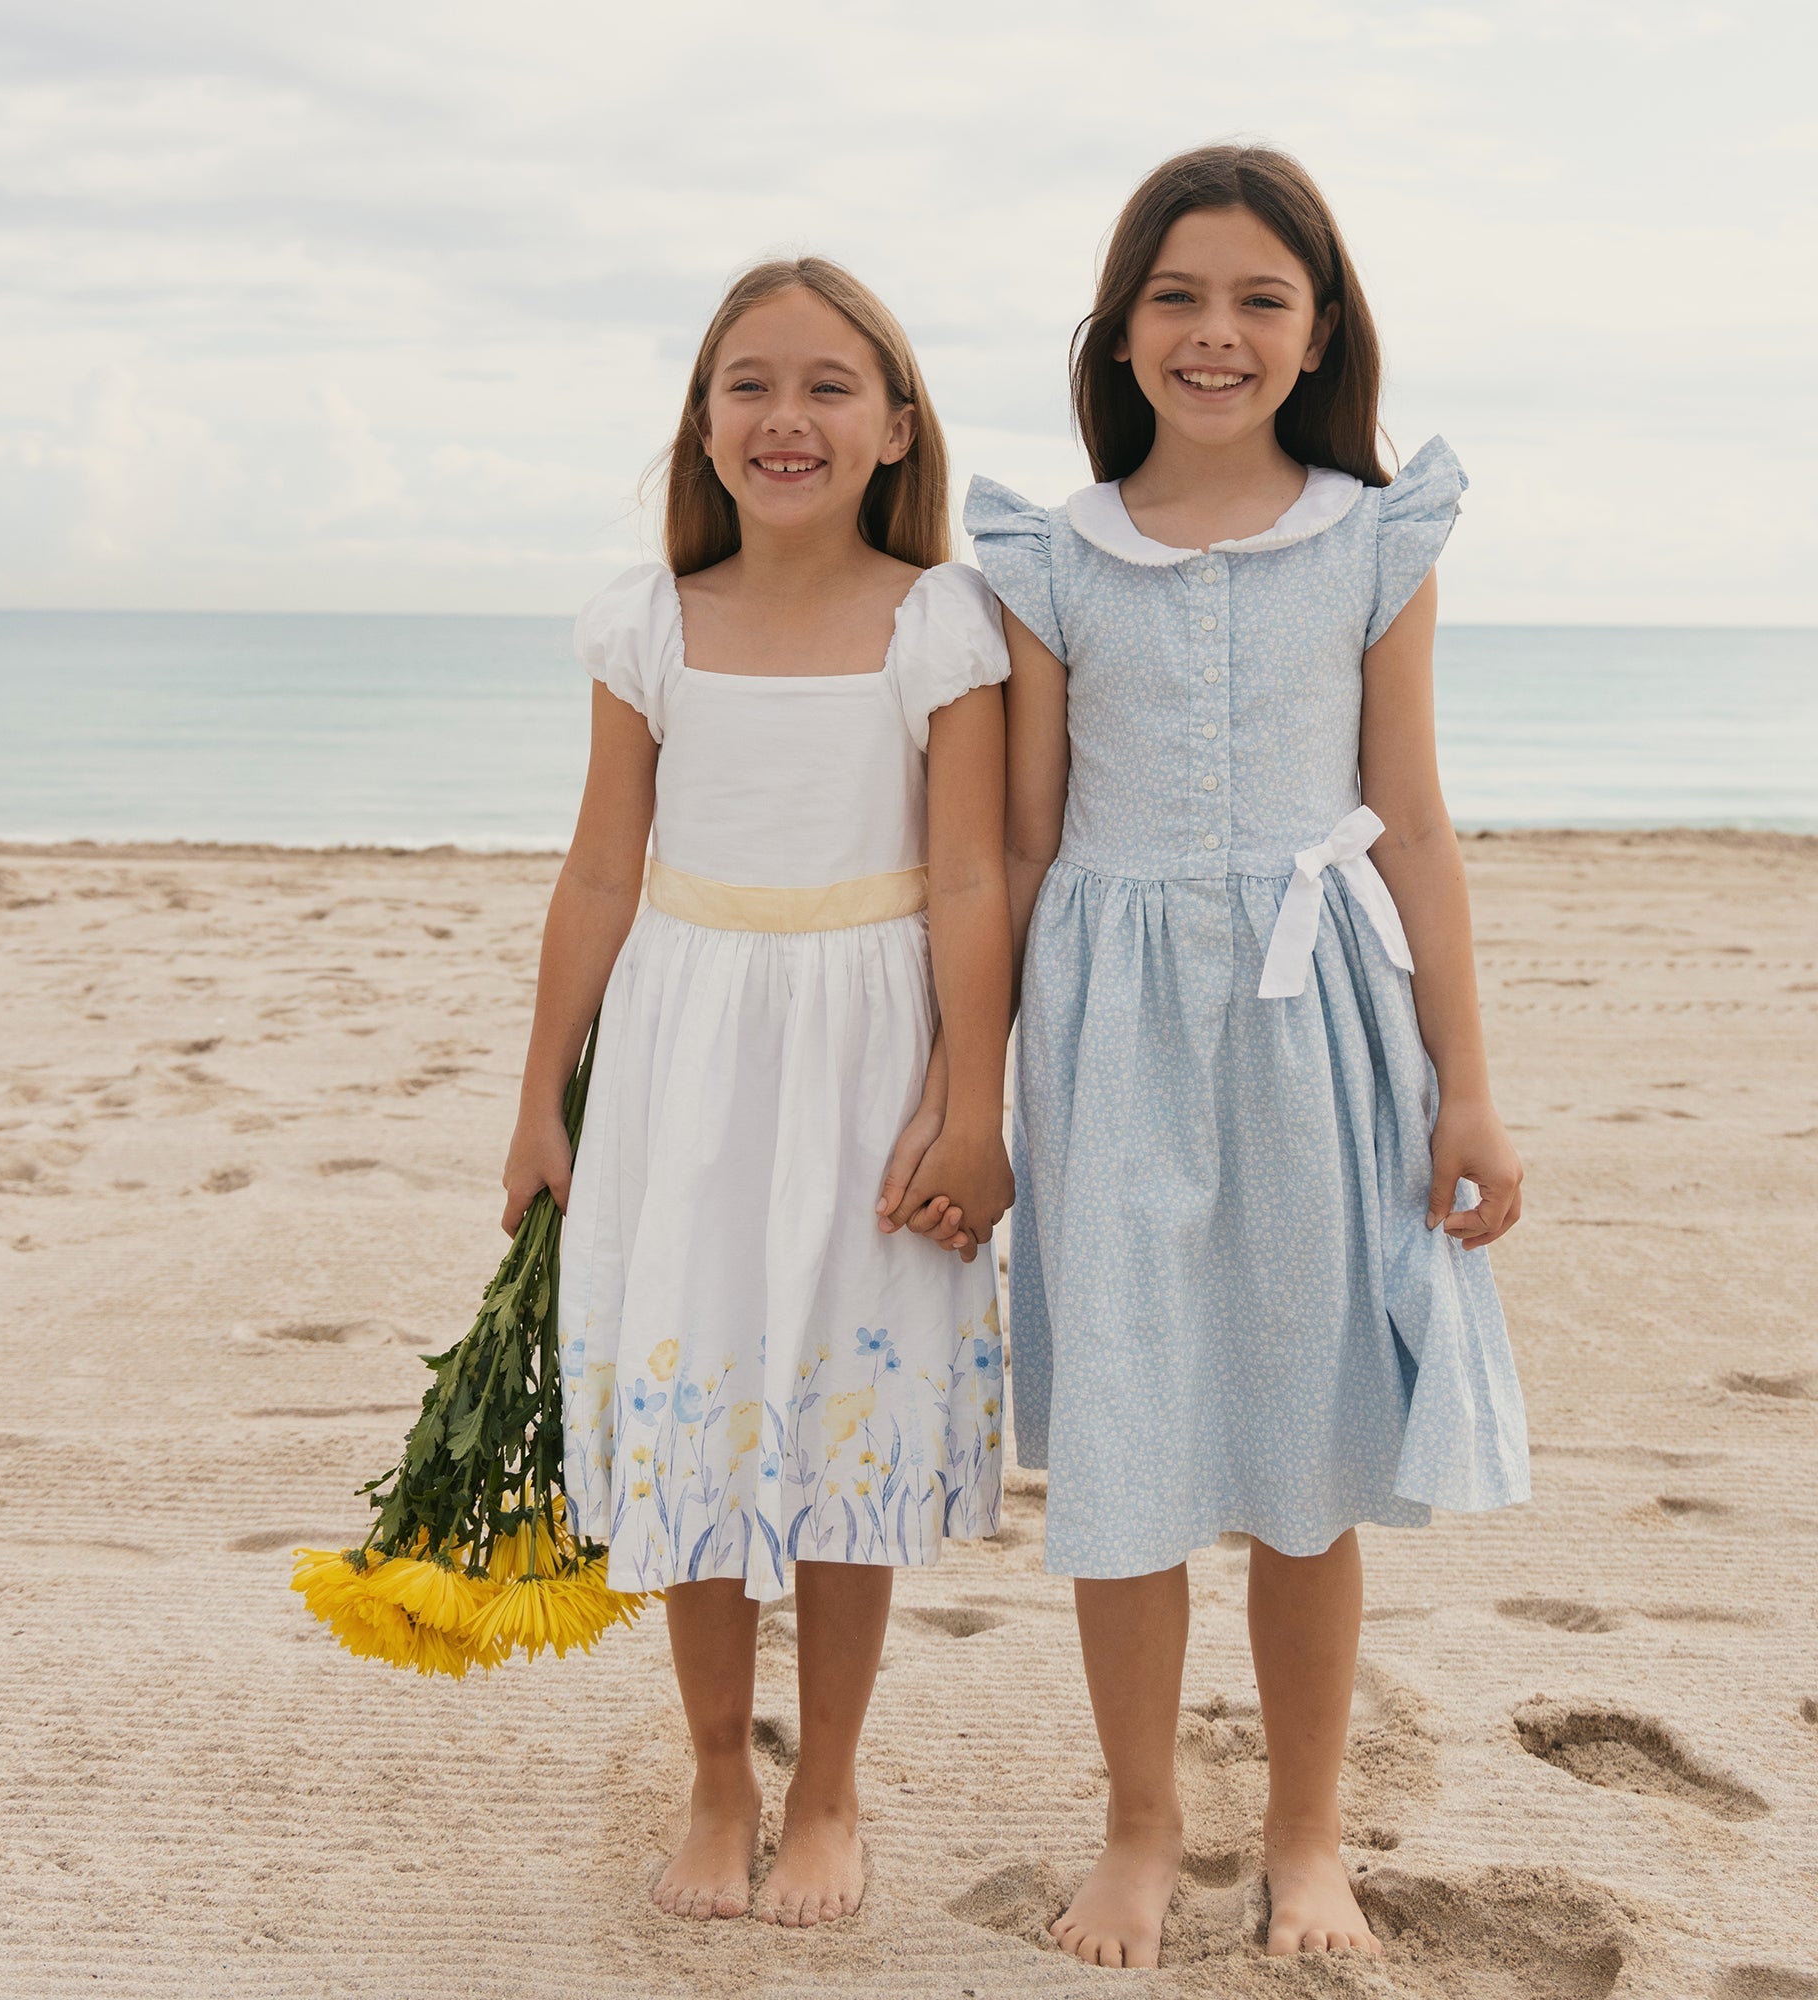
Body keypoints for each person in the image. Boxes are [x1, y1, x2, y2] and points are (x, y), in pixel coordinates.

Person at [915, 143, 1531, 1967]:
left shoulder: (1371, 532)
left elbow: (1409, 818)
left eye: (1262, 297)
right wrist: (976, 1095)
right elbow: (1018, 848)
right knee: (1124, 1440)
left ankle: (1311, 1836)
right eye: (1178, 296)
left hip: (1319, 1017)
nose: (1217, 332)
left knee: (1301, 1440)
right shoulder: (1050, 554)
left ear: (1319, 326)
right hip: (1108, 1026)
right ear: (1119, 331)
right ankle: (1136, 1828)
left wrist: (1470, 1081)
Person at [499, 256, 1015, 1928]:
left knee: (844, 1423)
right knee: (699, 1410)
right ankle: (721, 1770)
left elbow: (970, 882)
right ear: (704, 424)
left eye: (826, 387)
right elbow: (596, 873)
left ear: (893, 424)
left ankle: (835, 1785)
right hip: (683, 1052)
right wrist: (539, 1104)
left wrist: (968, 1098)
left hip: (871, 1047)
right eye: (749, 386)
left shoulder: (940, 619)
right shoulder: (648, 620)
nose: (785, 418)